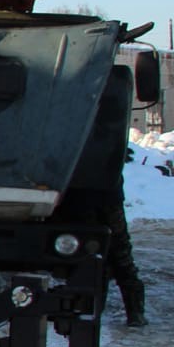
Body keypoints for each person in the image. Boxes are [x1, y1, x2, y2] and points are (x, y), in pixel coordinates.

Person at [54, 65, 148, 326]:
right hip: (98, 192)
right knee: (113, 255)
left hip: (85, 194)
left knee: (105, 256)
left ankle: (111, 309)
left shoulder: (63, 107)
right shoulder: (102, 103)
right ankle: (126, 310)